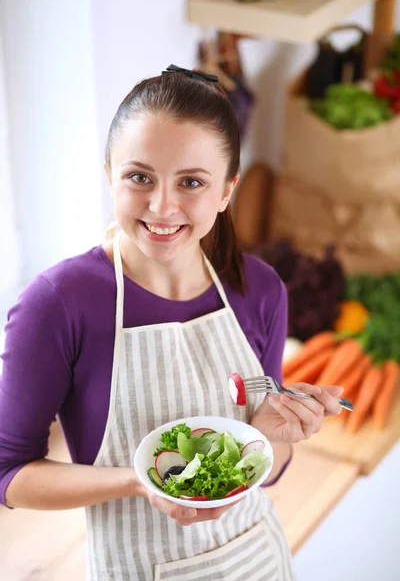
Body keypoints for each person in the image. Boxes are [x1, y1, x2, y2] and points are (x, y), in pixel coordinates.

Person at [0, 64, 343, 581]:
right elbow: (9, 473)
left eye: (191, 182)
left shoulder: (261, 291)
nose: (163, 206)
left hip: (259, 563)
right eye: (140, 176)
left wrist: (277, 435)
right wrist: (139, 482)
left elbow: (265, 471)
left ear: (226, 192)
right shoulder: (60, 304)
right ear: (109, 173)